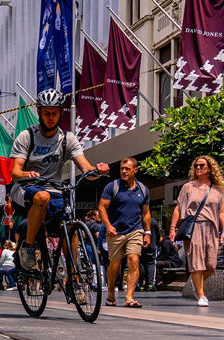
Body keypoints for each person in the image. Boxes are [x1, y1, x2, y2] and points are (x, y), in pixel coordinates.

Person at [10, 89, 110, 270]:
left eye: (54, 113)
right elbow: (15, 172)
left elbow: (86, 168)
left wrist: (98, 170)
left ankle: (75, 279)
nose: (50, 117)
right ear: (39, 112)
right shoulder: (27, 136)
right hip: (25, 188)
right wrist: (27, 174)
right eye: (47, 113)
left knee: (70, 226)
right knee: (42, 197)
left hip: (54, 189)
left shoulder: (67, 139)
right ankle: (29, 247)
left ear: (60, 113)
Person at [169, 155, 224, 307]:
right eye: (196, 166)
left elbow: (222, 211)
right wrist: (172, 228)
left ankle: (196, 284)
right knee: (196, 262)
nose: (199, 168)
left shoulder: (217, 189)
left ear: (210, 168)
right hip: (193, 228)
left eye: (202, 165)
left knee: (210, 265)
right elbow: (178, 208)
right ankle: (201, 295)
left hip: (212, 228)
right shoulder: (188, 188)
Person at [98, 157, 151, 308]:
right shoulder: (112, 187)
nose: (124, 171)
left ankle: (129, 297)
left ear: (135, 170)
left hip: (135, 230)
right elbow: (102, 207)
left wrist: (147, 232)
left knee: (134, 260)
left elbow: (146, 213)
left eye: (127, 169)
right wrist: (108, 226)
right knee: (114, 265)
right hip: (115, 232)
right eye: (122, 168)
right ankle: (110, 293)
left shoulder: (143, 189)